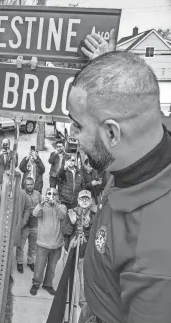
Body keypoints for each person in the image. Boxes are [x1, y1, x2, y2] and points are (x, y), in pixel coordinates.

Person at [65, 50, 171, 323]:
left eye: (78, 126)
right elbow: (138, 100)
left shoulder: (154, 256)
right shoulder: (145, 140)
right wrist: (109, 68)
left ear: (112, 133)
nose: (72, 135)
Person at [62, 190, 96, 308]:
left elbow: (95, 238)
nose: (84, 201)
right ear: (78, 200)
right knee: (67, 277)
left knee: (83, 279)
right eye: (82, 198)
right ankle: (66, 299)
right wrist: (71, 223)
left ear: (91, 201)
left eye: (87, 199)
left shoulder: (94, 217)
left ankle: (82, 301)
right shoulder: (70, 212)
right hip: (70, 251)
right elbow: (64, 232)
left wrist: (87, 227)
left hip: (84, 254)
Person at [30, 188, 66, 296]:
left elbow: (63, 215)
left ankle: (48, 285)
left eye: (54, 194)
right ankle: (36, 284)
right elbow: (35, 213)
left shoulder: (61, 206)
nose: (52, 196)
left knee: (52, 267)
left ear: (58, 196)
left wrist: (55, 205)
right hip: (42, 244)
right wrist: (41, 204)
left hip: (56, 244)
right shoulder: (42, 206)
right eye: (49, 193)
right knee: (39, 267)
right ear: (45, 195)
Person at [16, 177, 40, 274]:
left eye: (31, 184)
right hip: (24, 225)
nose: (30, 186)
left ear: (34, 184)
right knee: (21, 245)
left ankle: (30, 261)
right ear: (24, 185)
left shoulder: (38, 194)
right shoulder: (21, 194)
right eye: (28, 184)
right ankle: (19, 262)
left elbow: (42, 205)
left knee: (33, 246)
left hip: (35, 224)